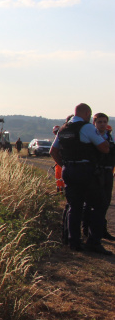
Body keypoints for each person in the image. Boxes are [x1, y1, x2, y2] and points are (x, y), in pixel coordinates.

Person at [50, 103, 111, 254]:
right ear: (87, 113)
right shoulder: (87, 127)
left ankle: (74, 242)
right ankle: (93, 242)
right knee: (99, 204)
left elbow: (53, 151)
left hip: (69, 170)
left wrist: (64, 164)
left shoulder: (63, 129)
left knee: (74, 206)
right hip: (86, 170)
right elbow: (104, 148)